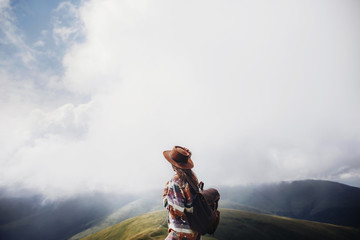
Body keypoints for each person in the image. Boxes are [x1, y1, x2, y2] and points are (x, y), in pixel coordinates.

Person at [162, 146, 201, 240]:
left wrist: (165, 195)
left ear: (173, 164)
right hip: (194, 232)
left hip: (180, 233)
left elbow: (177, 210)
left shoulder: (176, 180)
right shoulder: (192, 178)